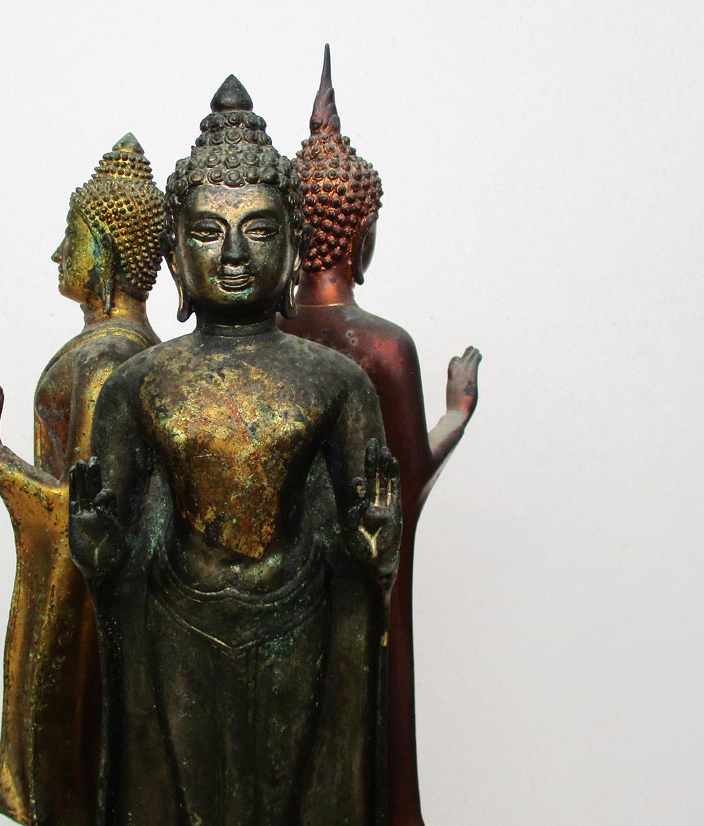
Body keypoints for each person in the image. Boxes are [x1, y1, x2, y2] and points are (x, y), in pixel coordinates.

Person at [68, 76, 402, 825]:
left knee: (289, 799)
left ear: (295, 245)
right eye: (208, 231)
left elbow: (367, 537)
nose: (234, 254)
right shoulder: (138, 384)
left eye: (258, 229)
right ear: (174, 253)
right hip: (176, 618)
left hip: (298, 613)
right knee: (186, 803)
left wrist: (376, 543)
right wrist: (97, 547)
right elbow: (113, 544)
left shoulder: (337, 382)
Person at [278, 46, 482, 826]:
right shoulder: (384, 349)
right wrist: (457, 413)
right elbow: (408, 484)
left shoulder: (266, 340)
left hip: (281, 599)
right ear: (359, 232)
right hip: (363, 588)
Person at [0, 134, 164, 826]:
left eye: (70, 238)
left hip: (85, 597)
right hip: (97, 586)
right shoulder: (126, 352)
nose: (58, 255)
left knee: (77, 767)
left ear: (104, 250)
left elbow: (79, 509)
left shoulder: (110, 358)